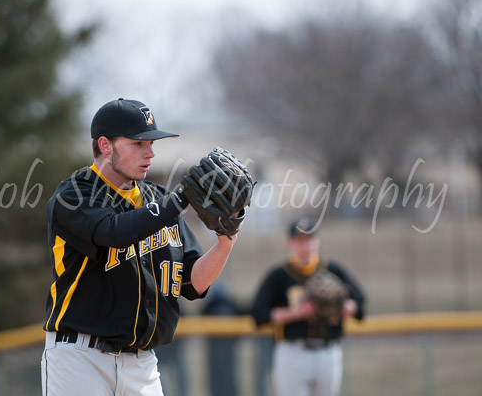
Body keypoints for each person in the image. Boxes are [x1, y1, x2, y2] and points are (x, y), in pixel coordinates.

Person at [40, 98, 241, 396]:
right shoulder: (74, 195)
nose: (150, 152)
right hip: (81, 358)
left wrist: (227, 239)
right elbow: (115, 231)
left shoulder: (159, 200)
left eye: (151, 143)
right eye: (138, 144)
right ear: (106, 146)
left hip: (143, 365)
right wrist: (181, 198)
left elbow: (193, 282)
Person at [251, 217, 365, 396]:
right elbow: (259, 315)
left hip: (328, 352)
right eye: (300, 241)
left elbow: (359, 307)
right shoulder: (279, 275)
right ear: (290, 243)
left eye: (310, 240)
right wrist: (298, 313)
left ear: (317, 240)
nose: (306, 246)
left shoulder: (333, 270)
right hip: (292, 352)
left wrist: (337, 306)